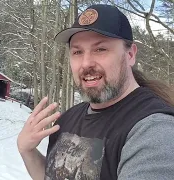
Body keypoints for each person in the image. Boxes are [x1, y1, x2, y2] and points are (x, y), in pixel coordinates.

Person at [17, 4, 174, 180]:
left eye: (100, 49)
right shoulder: (66, 121)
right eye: (77, 52)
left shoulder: (153, 130)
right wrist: (27, 151)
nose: (86, 63)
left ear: (130, 55)